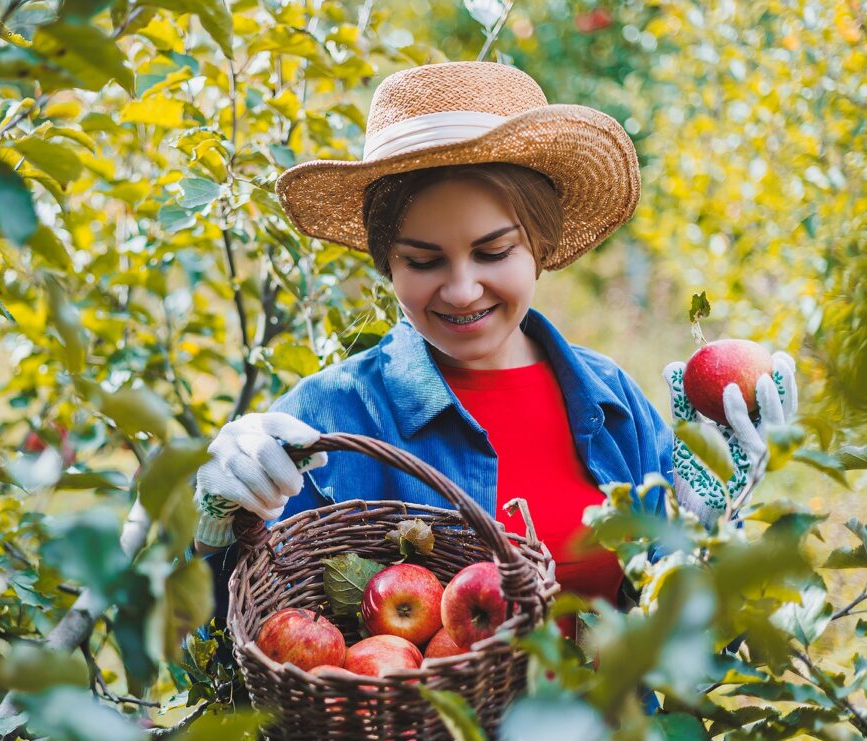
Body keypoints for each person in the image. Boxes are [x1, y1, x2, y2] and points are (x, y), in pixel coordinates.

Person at [192, 61, 797, 643]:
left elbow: (696, 642)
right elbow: (238, 649)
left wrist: (709, 521)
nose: (460, 289)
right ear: (388, 264)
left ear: (539, 242)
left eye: (493, 252)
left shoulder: (611, 404)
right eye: (422, 261)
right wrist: (221, 527)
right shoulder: (329, 420)